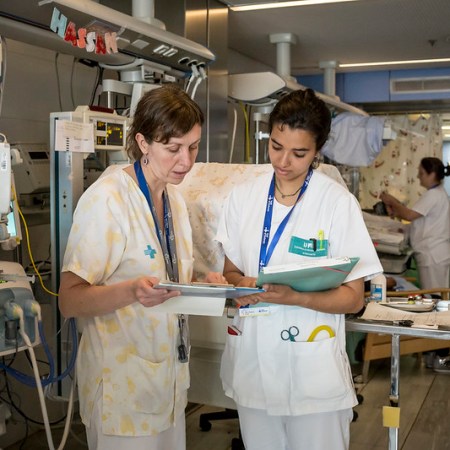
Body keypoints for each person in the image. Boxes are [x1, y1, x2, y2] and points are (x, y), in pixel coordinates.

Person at [58, 84, 225, 450]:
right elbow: (69, 300)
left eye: (193, 147)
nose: (186, 161)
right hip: (122, 391)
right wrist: (131, 291)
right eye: (173, 149)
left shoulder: (174, 200)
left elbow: (168, 281)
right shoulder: (108, 200)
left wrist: (206, 285)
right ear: (143, 142)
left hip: (167, 385)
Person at [215, 88, 383, 450]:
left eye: (299, 153)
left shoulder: (336, 204)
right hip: (254, 362)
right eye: (276, 146)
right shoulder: (242, 198)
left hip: (312, 372)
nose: (283, 161)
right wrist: (241, 285)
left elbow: (354, 299)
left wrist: (295, 297)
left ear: (318, 150)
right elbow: (230, 271)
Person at [380, 157, 450, 290]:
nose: (418, 177)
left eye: (421, 173)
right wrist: (396, 209)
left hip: (432, 255)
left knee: (434, 295)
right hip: (435, 254)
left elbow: (409, 215)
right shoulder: (437, 193)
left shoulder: (434, 195)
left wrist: (392, 201)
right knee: (437, 294)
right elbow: (418, 218)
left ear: (432, 174)